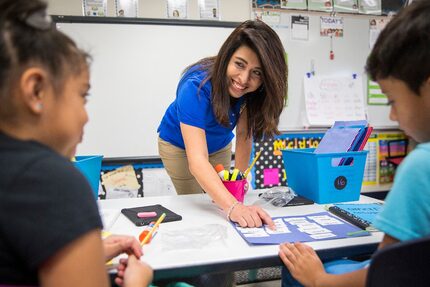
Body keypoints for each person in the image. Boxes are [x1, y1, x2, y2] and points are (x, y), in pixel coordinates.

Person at [0, 0, 152, 286]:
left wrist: (87, 253)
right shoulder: (53, 184)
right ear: (36, 90)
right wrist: (137, 283)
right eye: (83, 96)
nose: (86, 117)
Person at [278, 1, 430, 286]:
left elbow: (387, 274)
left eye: (392, 100)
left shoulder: (421, 166)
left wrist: (319, 280)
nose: (393, 115)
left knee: (297, 269)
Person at [157, 20, 287, 228]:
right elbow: (197, 161)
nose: (243, 79)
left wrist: (240, 185)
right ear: (227, 56)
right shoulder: (195, 87)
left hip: (219, 144)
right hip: (178, 147)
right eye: (239, 64)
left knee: (221, 202)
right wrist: (234, 207)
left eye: (257, 72)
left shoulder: (251, 93)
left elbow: (244, 136)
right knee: (199, 205)